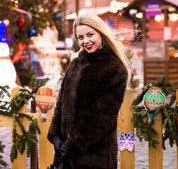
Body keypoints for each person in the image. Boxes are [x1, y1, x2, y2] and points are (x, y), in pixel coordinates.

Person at [47, 13, 130, 169]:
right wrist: (56, 135)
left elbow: (102, 115)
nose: (86, 41)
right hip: (65, 156)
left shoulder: (115, 68)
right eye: (80, 37)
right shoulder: (75, 64)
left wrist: (73, 141)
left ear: (100, 33)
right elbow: (61, 103)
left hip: (95, 157)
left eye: (90, 34)